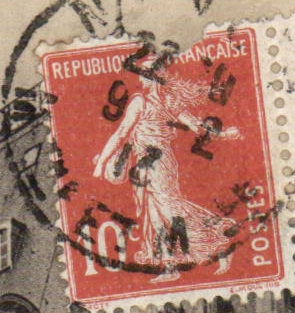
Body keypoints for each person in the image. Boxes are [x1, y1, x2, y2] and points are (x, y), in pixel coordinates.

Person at [92, 70, 242, 279]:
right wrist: (223, 135)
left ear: (149, 79)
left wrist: (100, 164)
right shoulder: (169, 101)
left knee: (171, 211)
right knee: (155, 215)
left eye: (143, 76)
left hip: (154, 163)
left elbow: (121, 133)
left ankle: (216, 243)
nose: (140, 80)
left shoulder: (140, 102)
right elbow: (196, 126)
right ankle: (170, 265)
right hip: (153, 164)